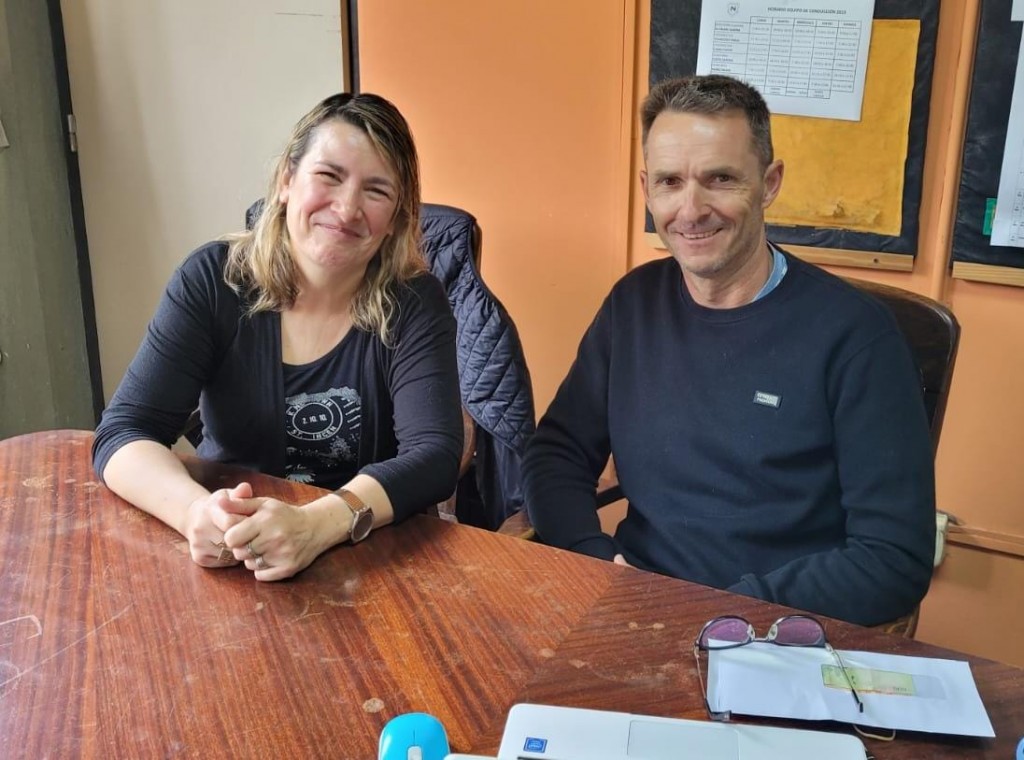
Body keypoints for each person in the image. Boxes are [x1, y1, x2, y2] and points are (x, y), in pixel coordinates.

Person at [522, 75, 935, 626]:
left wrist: (726, 611)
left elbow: (894, 557)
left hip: (775, 630)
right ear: (647, 189)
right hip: (634, 607)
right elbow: (557, 452)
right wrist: (591, 558)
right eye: (670, 181)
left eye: (720, 179)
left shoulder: (857, 336)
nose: (691, 210)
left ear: (769, 183)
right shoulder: (633, 305)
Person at [93, 93, 463, 581]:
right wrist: (193, 513)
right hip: (234, 551)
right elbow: (123, 432)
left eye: (376, 191)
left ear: (395, 218)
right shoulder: (214, 281)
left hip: (368, 558)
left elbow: (434, 454)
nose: (347, 208)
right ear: (287, 180)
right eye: (328, 176)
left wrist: (318, 524)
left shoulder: (414, 301)